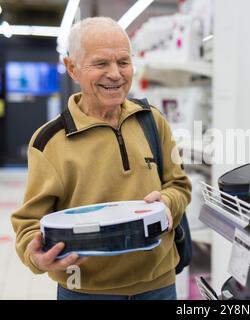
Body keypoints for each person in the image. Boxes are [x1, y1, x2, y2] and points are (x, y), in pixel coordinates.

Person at [10, 17, 192, 300]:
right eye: (101, 64)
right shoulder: (50, 141)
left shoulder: (152, 121)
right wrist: (35, 257)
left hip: (159, 285)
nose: (116, 74)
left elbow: (179, 186)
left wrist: (168, 203)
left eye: (123, 62)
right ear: (72, 68)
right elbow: (29, 223)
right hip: (87, 290)